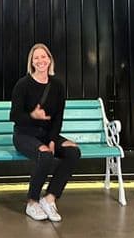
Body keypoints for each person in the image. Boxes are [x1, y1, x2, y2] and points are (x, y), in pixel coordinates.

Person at [10, 42, 82, 223]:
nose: (41, 61)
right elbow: (15, 116)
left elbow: (58, 117)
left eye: (44, 57)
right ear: (32, 63)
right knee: (46, 155)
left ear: (49, 60)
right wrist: (33, 115)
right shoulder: (23, 84)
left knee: (73, 152)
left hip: (46, 134)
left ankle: (49, 199)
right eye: (36, 58)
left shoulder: (57, 85)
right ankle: (32, 202)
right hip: (24, 134)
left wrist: (53, 140)